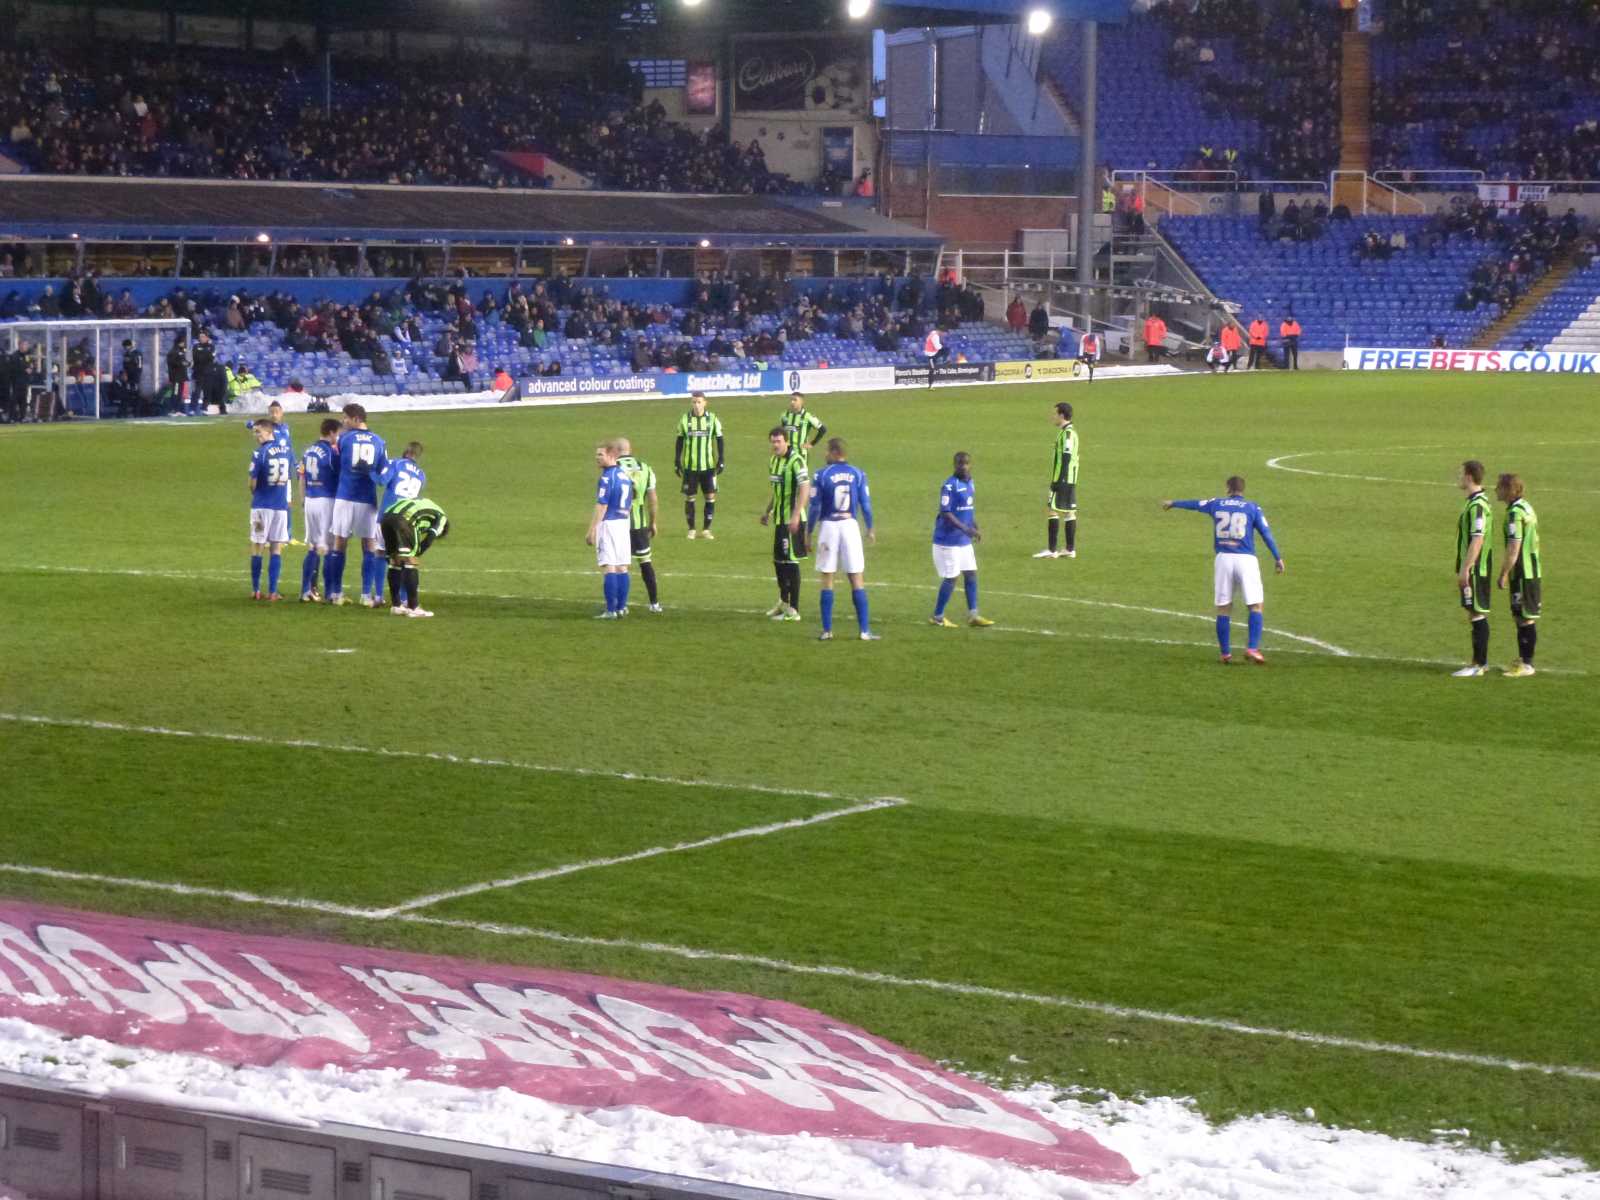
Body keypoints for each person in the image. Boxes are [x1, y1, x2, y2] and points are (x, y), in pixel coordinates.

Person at [1162, 476, 1285, 664]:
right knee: (1255, 605)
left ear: (1228, 488)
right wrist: (1277, 557)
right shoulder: (1253, 507)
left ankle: (1225, 654)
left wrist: (1174, 503)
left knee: (1223, 608)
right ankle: (1252, 648)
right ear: (1243, 489)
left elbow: (1195, 504)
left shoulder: (1216, 503)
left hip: (1223, 559)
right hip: (1246, 559)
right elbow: (1265, 533)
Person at [807, 437, 877, 642]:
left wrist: (808, 532)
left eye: (826, 451)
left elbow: (815, 507)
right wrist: (870, 527)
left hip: (829, 526)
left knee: (827, 578)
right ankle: (864, 631)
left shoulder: (821, 474)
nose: (824, 454)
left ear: (835, 452)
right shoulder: (858, 474)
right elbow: (865, 504)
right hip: (850, 526)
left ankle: (827, 631)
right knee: (856, 577)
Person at [326, 403, 389, 607]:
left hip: (344, 496)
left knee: (339, 543)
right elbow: (383, 473)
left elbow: (335, 465)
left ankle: (336, 593)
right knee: (368, 545)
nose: (343, 422)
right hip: (367, 499)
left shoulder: (344, 439)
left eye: (345, 418)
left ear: (356, 418)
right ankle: (365, 595)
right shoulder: (380, 441)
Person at [930, 452, 993, 628]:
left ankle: (973, 615)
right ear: (954, 465)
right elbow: (946, 512)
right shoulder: (949, 486)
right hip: (948, 541)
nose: (962, 466)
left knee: (971, 573)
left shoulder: (971, 483)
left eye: (965, 463)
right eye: (959, 463)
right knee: (951, 578)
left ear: (970, 465)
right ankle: (938, 616)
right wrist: (966, 529)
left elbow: (968, 509)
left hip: (963, 540)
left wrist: (975, 526)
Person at [760, 426, 811, 622]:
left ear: (786, 441)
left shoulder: (796, 461)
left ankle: (794, 610)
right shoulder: (773, 460)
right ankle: (784, 601)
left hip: (792, 520)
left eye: (778, 441)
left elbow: (805, 488)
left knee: (790, 563)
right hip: (780, 520)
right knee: (778, 562)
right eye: (773, 441)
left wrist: (796, 515)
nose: (775, 445)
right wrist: (767, 511)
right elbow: (776, 491)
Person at [1495, 472, 1541, 678]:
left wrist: (1504, 573)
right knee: (1521, 616)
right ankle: (1523, 660)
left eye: (1499, 487)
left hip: (1523, 572)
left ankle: (1527, 664)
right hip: (1531, 569)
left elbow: (1514, 546)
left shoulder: (1515, 513)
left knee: (1524, 618)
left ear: (1508, 489)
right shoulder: (1526, 507)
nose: (1496, 490)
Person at [1452, 459, 1493, 677]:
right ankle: (1478, 662)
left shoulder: (1477, 506)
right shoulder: (1475, 502)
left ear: (1469, 476)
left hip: (1476, 568)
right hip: (1475, 567)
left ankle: (1479, 665)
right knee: (1474, 613)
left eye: (1460, 473)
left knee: (1477, 613)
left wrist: (1466, 568)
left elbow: (1477, 539)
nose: (1458, 477)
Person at [380, 495, 450, 619]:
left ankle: (396, 606)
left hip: (386, 516)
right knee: (410, 561)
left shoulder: (428, 504)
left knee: (395, 561)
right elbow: (429, 538)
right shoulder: (442, 518)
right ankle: (414, 607)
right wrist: (418, 552)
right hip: (405, 519)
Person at [587, 440, 635, 619]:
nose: (597, 458)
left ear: (612, 456)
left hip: (609, 524)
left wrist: (592, 530)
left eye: (601, 455)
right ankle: (622, 607)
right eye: (596, 454)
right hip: (623, 523)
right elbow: (630, 503)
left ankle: (611, 610)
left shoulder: (607, 478)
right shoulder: (624, 475)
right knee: (623, 567)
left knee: (610, 567)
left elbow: (602, 506)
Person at [247, 419, 293, 602]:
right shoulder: (287, 451)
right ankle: (273, 592)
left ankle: (256, 590)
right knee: (276, 548)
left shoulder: (259, 454)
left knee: (257, 546)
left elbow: (252, 483)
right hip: (280, 507)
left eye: (258, 432)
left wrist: (256, 492)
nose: (256, 436)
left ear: (268, 432)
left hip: (261, 507)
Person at [616, 437, 662, 613]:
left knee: (621, 565)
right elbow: (653, 499)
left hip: (619, 524)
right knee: (645, 563)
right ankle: (654, 603)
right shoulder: (646, 468)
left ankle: (622, 606)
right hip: (640, 524)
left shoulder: (613, 468)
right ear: (630, 449)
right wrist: (653, 523)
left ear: (616, 451)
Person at [379, 441, 426, 607]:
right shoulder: (421, 475)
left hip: (387, 516)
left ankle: (379, 596)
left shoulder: (395, 463)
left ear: (405, 452)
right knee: (407, 558)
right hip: (406, 520)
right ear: (418, 456)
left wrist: (370, 470)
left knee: (383, 554)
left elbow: (381, 480)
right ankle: (406, 600)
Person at [299, 417, 341, 602]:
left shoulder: (308, 451)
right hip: (327, 500)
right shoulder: (331, 453)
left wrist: (302, 500)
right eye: (338, 434)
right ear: (332, 432)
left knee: (313, 547)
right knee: (330, 547)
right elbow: (341, 477)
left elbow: (301, 477)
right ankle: (331, 593)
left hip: (310, 499)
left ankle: (306, 591)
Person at [676, 391, 725, 540]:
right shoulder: (685, 419)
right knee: (690, 497)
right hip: (690, 467)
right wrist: (677, 461)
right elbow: (679, 440)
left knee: (710, 496)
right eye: (694, 402)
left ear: (705, 402)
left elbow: (719, 439)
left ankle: (706, 529)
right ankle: (691, 529)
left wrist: (721, 459)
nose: (696, 405)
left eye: (699, 402)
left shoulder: (713, 419)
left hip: (708, 467)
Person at [1035, 402, 1079, 560]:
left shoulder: (1067, 434)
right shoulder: (1068, 432)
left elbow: (1066, 457)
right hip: (1070, 479)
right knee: (1069, 511)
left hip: (1063, 479)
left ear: (1062, 415)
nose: (1053, 417)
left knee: (1052, 510)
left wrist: (1058, 480)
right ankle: (1069, 549)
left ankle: (1052, 550)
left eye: (1055, 414)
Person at [166, 335, 191, 416]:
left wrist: (188, 363)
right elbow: (175, 363)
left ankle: (177, 410)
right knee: (175, 393)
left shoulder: (180, 351)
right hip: (176, 377)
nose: (184, 343)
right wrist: (184, 363)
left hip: (181, 377)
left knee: (179, 394)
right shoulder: (173, 352)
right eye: (183, 342)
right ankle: (172, 410)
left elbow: (184, 362)